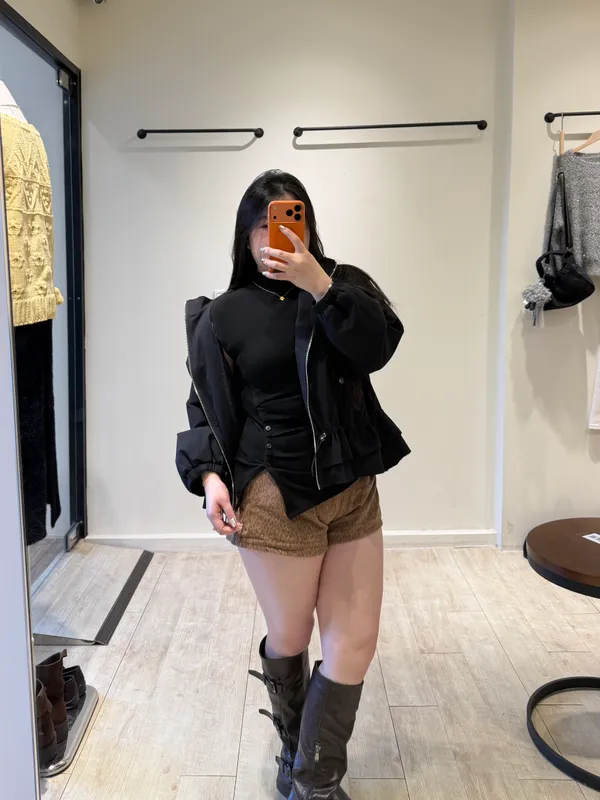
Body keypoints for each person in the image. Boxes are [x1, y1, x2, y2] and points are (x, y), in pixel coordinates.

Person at [176, 170, 409, 799]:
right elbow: (205, 405)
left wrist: (319, 285)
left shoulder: (343, 285)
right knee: (291, 636)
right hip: (275, 497)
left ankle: (312, 779)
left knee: (355, 642)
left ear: (306, 224)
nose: (274, 235)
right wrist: (209, 475)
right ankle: (293, 751)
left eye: (288, 219)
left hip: (351, 488)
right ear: (245, 235)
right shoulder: (223, 314)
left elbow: (377, 348)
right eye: (262, 224)